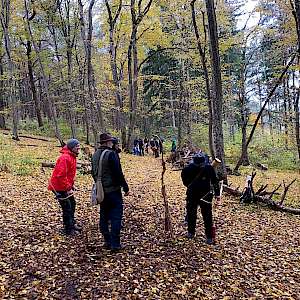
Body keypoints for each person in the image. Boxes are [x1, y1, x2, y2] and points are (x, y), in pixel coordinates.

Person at [91, 133, 129, 252]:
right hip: (113, 190)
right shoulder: (111, 154)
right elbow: (118, 173)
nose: (113, 143)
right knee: (116, 217)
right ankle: (115, 244)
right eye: (111, 141)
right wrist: (125, 187)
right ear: (108, 142)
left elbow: (94, 173)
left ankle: (107, 241)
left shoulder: (95, 154)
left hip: (101, 191)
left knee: (104, 215)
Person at [181, 152, 221, 245]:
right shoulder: (209, 168)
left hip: (193, 194)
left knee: (192, 214)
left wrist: (192, 186)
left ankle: (191, 233)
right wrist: (217, 195)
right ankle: (209, 237)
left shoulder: (186, 169)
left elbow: (185, 182)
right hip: (205, 195)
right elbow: (215, 182)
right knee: (206, 216)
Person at [48, 139, 81, 236]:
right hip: (58, 187)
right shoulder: (65, 158)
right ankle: (68, 229)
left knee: (72, 204)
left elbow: (69, 174)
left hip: (64, 186)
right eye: (77, 146)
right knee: (67, 207)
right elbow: (60, 175)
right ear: (71, 147)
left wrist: (71, 185)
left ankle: (72, 224)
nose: (79, 148)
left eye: (79, 146)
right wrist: (68, 188)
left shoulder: (72, 156)